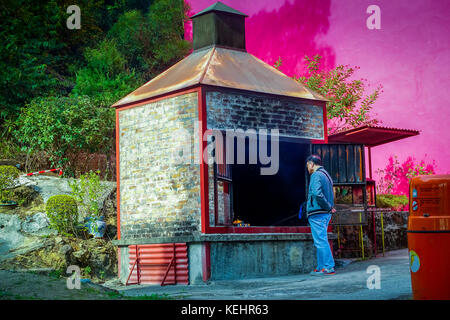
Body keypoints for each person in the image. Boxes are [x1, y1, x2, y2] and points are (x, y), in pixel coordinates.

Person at [305, 154, 336, 275]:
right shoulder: (326, 175)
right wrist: (329, 207)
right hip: (324, 213)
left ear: (312, 164)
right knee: (320, 240)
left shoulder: (316, 175)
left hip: (318, 213)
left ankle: (328, 267)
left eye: (308, 165)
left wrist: (328, 207)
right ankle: (321, 267)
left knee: (320, 240)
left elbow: (317, 194)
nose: (308, 168)